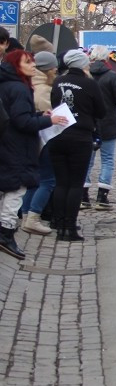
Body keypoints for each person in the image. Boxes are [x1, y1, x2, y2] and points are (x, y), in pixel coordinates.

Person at [0, 50, 67, 258]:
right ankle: (6, 233)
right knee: (15, 190)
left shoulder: (8, 85)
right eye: (28, 62)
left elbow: (17, 116)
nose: (33, 66)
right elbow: (22, 122)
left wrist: (38, 115)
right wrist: (49, 121)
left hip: (8, 144)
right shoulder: (19, 89)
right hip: (17, 147)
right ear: (17, 66)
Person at [50, 50, 106, 241]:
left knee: (61, 182)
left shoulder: (58, 81)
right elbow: (101, 111)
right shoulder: (89, 84)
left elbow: (53, 104)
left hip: (58, 134)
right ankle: (70, 227)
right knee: (75, 184)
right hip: (80, 136)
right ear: (82, 64)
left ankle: (59, 225)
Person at [20, 51, 60, 235]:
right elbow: (45, 117)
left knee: (35, 180)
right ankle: (33, 216)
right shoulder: (43, 89)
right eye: (54, 68)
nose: (56, 71)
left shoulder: (32, 84)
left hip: (34, 140)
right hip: (43, 139)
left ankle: (26, 215)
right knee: (47, 180)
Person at [84, 46, 116, 211]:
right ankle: (102, 197)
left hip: (89, 123)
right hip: (108, 122)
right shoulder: (111, 76)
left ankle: (83, 197)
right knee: (107, 160)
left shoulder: (86, 75)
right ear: (106, 58)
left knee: (87, 161)